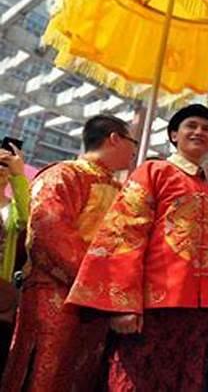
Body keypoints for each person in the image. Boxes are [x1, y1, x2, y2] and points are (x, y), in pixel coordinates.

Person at [65, 104, 208, 392]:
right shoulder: (153, 171)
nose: (200, 132)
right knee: (134, 382)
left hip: (197, 312)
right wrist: (122, 304)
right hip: (151, 308)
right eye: (192, 125)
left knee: (185, 381)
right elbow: (124, 233)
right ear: (174, 134)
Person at [1, 115, 136, 392]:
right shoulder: (63, 174)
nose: (134, 151)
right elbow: (48, 235)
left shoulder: (122, 192)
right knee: (44, 376)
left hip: (98, 309)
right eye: (132, 142)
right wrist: (98, 285)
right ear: (114, 138)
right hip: (57, 298)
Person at [0, 142, 30, 373]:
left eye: (5, 165)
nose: (1, 168)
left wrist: (19, 176)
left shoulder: (13, 209)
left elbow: (29, 220)